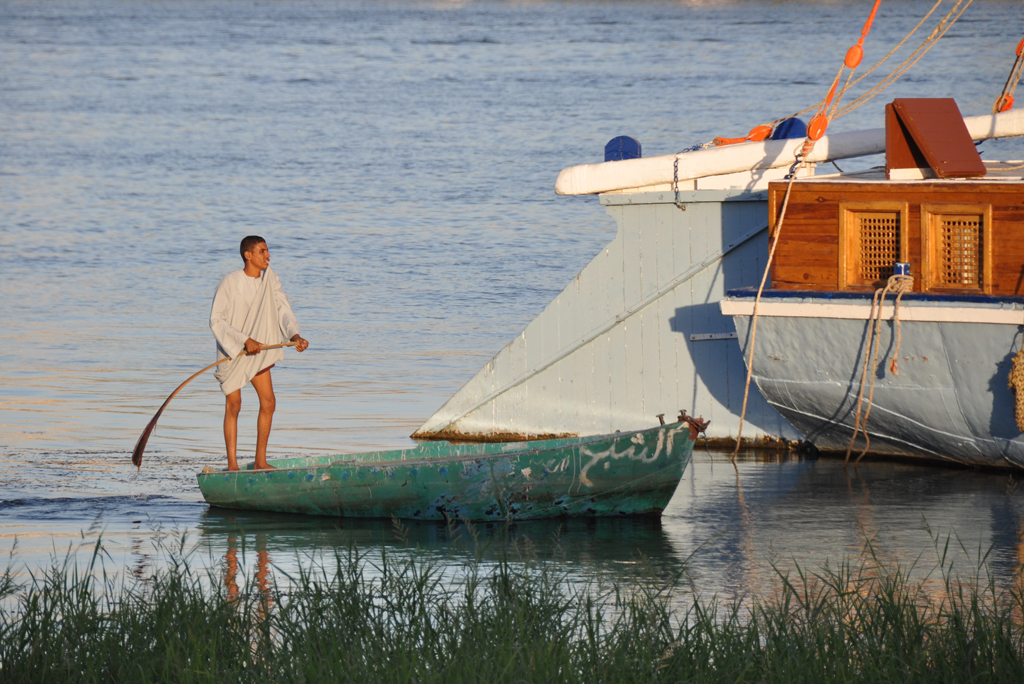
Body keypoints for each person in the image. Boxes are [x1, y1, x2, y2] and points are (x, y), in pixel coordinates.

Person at [210, 236, 309, 470]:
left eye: (268, 251)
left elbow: (282, 308)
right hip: (233, 351)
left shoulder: (269, 280)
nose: (268, 255)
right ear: (248, 255)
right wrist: (244, 340)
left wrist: (294, 335)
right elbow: (216, 320)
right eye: (263, 251)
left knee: (269, 402)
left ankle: (260, 461)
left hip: (260, 352)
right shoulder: (230, 282)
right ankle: (232, 465)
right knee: (234, 404)